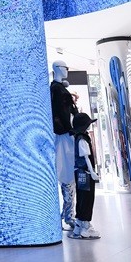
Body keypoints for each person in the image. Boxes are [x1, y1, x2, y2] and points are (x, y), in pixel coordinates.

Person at [50, 61, 77, 231]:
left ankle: (68, 213)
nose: (67, 70)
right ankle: (68, 215)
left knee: (69, 175)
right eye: (65, 67)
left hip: (66, 135)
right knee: (67, 175)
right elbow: (60, 113)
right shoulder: (56, 89)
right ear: (57, 69)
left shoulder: (59, 88)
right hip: (64, 136)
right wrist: (70, 129)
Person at [70, 112, 100, 239]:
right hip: (86, 172)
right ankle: (85, 227)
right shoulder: (83, 138)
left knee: (82, 198)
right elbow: (86, 157)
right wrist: (92, 172)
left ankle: (79, 225)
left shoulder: (78, 137)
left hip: (80, 172)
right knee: (87, 198)